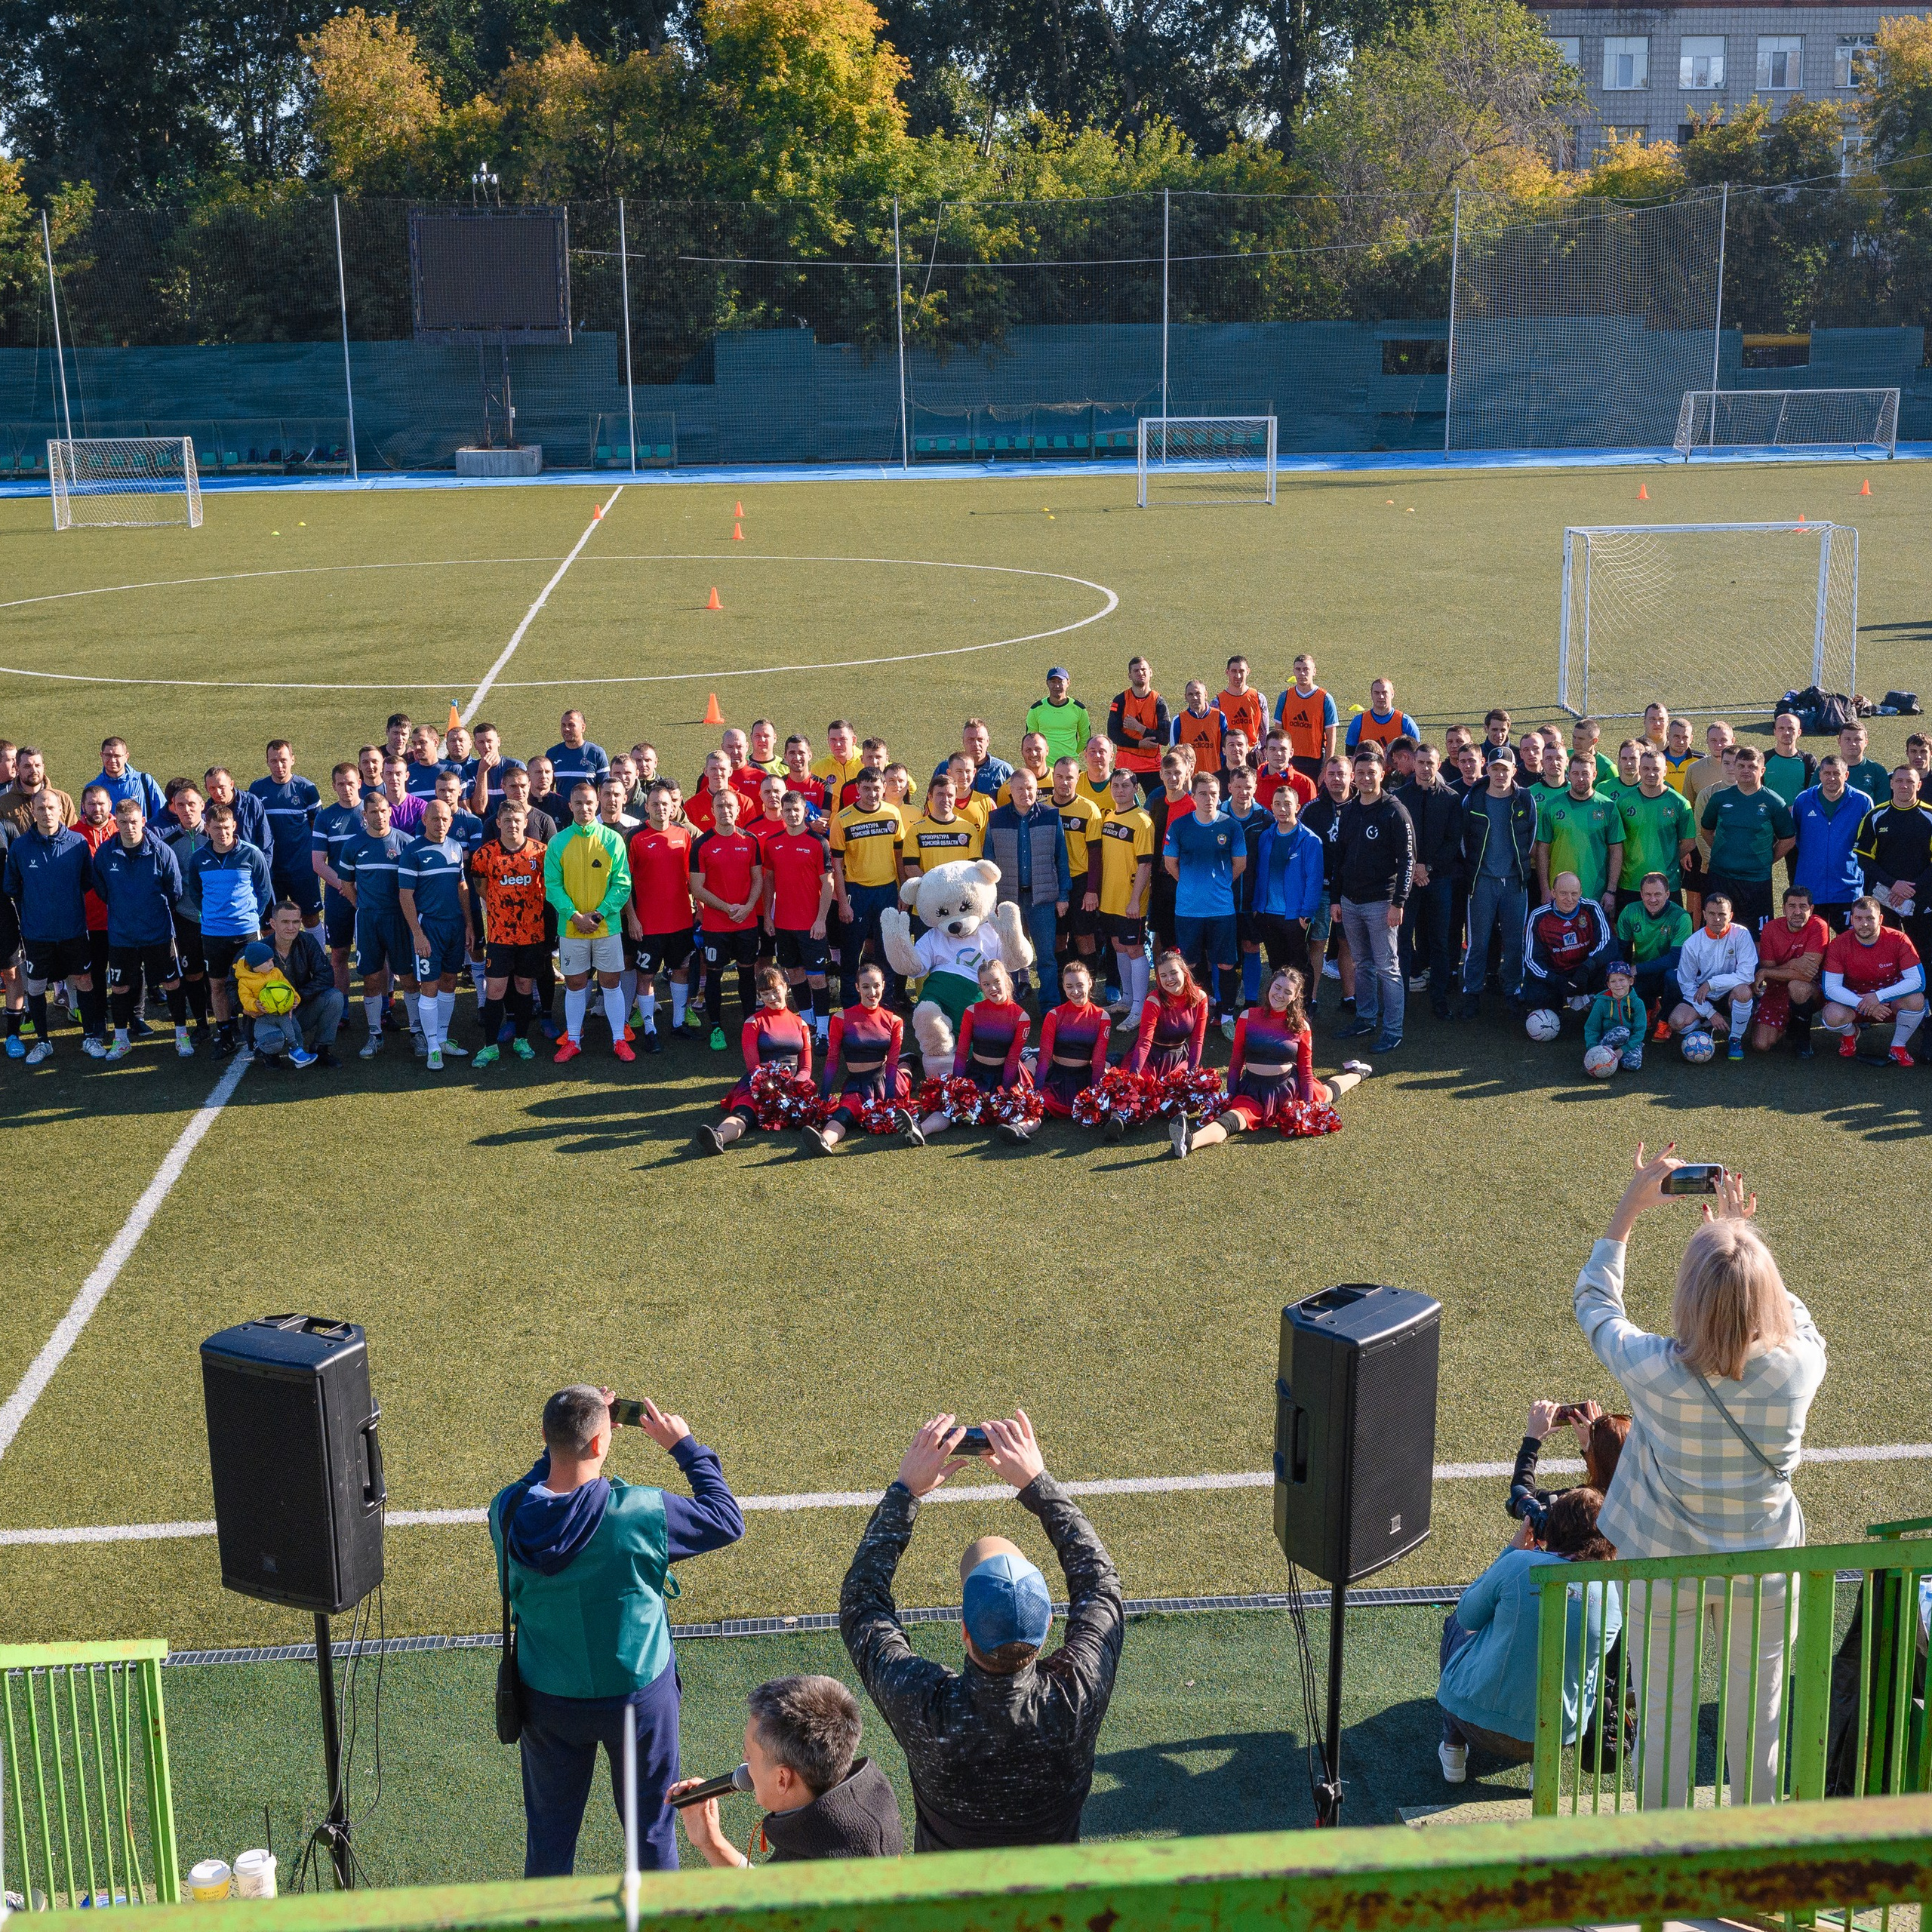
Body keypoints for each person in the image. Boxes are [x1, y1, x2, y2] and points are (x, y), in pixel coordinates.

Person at [1574, 1146, 1825, 1808]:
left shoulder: (1653, 1367)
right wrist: (1744, 1241)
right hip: (1764, 1562)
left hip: (1663, 1564)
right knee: (1759, 1727)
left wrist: (1629, 1209)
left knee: (1662, 1727)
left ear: (1688, 1294)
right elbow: (1795, 1321)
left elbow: (1595, 1304)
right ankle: (1750, 1874)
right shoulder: (1799, 1369)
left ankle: (1665, 1870)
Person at [839, 1409, 1123, 1850]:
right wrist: (1037, 1482)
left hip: (951, 1907)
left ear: (964, 1632)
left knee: (984, 1553)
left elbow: (862, 1603)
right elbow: (1100, 1584)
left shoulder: (924, 1704)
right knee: (991, 1552)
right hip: (1051, 1908)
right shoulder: (1075, 1696)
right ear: (1048, 1624)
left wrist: (907, 1491)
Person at [492, 1386, 743, 1876]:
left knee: (548, 1840)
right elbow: (726, 1519)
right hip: (638, 1698)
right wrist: (684, 1447)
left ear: (545, 1437)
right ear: (600, 1445)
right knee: (651, 1832)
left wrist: (569, 1438)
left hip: (546, 1697)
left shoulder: (505, 1512)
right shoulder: (641, 1513)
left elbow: (534, 1484)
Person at [1436, 1487, 1621, 1780]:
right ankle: (1542, 1769)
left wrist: (1512, 1552)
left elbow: (1468, 1615)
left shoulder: (1519, 1565)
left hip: (1475, 1721)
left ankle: (1453, 1748)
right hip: (1553, 1737)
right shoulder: (1613, 1595)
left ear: (1553, 1527)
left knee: (1456, 1626)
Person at [670, 1675, 903, 1866]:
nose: (744, 1760)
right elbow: (767, 1891)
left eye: (750, 1755)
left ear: (783, 1779)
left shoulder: (810, 1871)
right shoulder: (874, 1799)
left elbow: (761, 1907)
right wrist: (712, 1843)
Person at [1172, 965, 1367, 1158]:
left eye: (1287, 992)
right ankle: (1189, 1142)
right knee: (1233, 1119)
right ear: (1270, 986)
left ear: (1295, 997)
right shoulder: (1247, 1017)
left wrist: (1307, 1107)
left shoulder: (1302, 1026)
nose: (1280, 995)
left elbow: (1306, 1071)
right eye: (1277, 987)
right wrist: (1230, 1096)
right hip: (1253, 1090)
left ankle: (1357, 1073)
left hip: (1289, 1090)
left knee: (1328, 1093)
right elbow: (1236, 1062)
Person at [4, 788, 102, 1063]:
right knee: (35, 986)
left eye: (51, 808)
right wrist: (37, 906)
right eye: (41, 808)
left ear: (60, 809)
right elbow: (12, 886)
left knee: (84, 980)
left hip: (72, 930)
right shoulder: (21, 847)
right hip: (37, 934)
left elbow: (86, 881)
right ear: (33, 812)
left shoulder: (78, 843)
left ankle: (90, 1038)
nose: (47, 813)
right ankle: (43, 1042)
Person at [91, 796, 190, 1060]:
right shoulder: (105, 853)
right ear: (117, 823)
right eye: (123, 822)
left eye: (134, 821)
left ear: (143, 821)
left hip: (157, 932)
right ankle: (121, 1039)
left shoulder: (161, 851)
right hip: (122, 935)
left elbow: (175, 890)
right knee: (121, 987)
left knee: (171, 982)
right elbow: (102, 889)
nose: (129, 827)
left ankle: (181, 1035)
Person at [901, 958, 1034, 1146]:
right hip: (976, 1073)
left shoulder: (1021, 1016)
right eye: (986, 984)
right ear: (980, 986)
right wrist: (959, 1083)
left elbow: (1012, 1059)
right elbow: (962, 1052)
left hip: (1006, 1076)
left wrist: (1004, 1090)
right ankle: (920, 1130)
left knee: (1028, 1110)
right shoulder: (972, 1011)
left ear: (1006, 980)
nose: (993, 988)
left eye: (996, 982)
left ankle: (1018, 1129)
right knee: (950, 1107)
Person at [547, 782, 635, 1065]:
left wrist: (598, 915)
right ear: (570, 806)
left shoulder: (612, 840)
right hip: (572, 928)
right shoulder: (558, 842)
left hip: (606, 927)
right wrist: (575, 916)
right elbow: (552, 886)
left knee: (611, 982)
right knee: (575, 984)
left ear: (596, 805)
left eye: (589, 803)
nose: (584, 808)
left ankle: (618, 1040)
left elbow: (622, 884)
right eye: (578, 803)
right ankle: (573, 1040)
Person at [1333, 747, 1413, 1054]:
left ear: (1383, 774)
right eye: (1361, 773)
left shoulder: (1395, 811)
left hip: (1381, 904)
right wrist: (1338, 899)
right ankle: (1366, 1018)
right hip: (1350, 903)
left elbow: (1407, 860)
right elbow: (1340, 858)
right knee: (1362, 964)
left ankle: (1393, 1030)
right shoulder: (1350, 810)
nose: (1366, 778)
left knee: (1387, 968)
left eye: (1372, 773)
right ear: (1354, 777)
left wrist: (1399, 902)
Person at [186, 800, 275, 1054]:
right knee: (217, 984)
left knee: (254, 984)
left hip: (246, 932)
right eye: (216, 828)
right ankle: (225, 1035)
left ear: (234, 826)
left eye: (226, 827)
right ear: (207, 828)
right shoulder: (199, 858)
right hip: (213, 934)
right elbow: (196, 892)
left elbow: (264, 890)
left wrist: (251, 917)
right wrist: (213, 915)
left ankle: (256, 1035)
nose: (222, 833)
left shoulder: (251, 853)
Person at [697, 963, 813, 1153]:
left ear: (786, 987)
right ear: (759, 996)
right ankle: (719, 1137)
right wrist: (768, 1088)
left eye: (775, 990)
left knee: (811, 1113)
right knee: (745, 1112)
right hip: (759, 1085)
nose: (772, 997)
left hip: (793, 1086)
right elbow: (753, 1067)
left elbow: (806, 1067)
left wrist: (794, 1086)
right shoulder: (753, 1023)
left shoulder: (801, 1023)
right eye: (765, 994)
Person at [334, 792, 414, 1059]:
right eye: (372, 812)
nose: (378, 816)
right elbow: (346, 884)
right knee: (371, 978)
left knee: (409, 977)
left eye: (382, 810)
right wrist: (363, 907)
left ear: (389, 812)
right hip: (368, 919)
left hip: (400, 920)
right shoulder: (353, 845)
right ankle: (374, 1035)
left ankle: (417, 1033)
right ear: (364, 815)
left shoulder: (406, 843)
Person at [1457, 750, 1536, 1018]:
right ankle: (1472, 992)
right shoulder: (1474, 798)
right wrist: (1478, 872)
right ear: (1487, 769)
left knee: (1515, 942)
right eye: (1495, 768)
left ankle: (1513, 990)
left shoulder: (1525, 798)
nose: (1500, 774)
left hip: (1515, 884)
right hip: (1482, 883)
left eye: (1505, 769)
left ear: (1515, 770)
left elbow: (1531, 837)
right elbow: (1464, 839)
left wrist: (1518, 870)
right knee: (1478, 942)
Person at [470, 799, 549, 1065]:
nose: (513, 825)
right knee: (495, 990)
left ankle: (521, 1039)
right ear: (498, 823)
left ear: (525, 822)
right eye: (507, 821)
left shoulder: (541, 852)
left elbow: (549, 886)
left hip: (532, 935)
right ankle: (490, 1045)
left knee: (525, 986)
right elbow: (480, 886)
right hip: (500, 936)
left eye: (517, 821)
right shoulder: (484, 855)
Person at [1164, 771, 1243, 1031]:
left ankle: (1228, 1015)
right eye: (1203, 794)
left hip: (1221, 909)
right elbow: (1170, 864)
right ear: (1194, 796)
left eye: (1213, 794)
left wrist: (1218, 884)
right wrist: (1190, 883)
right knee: (1192, 964)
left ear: (1220, 795)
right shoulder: (1180, 826)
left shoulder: (1231, 826)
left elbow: (1240, 864)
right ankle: (1201, 1009)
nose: (1209, 799)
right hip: (1188, 910)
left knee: (1226, 963)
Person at [399, 795, 472, 1070]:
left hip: (454, 927)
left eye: (445, 819)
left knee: (450, 981)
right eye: (434, 819)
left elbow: (462, 888)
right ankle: (431, 1046)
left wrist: (469, 925)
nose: (440, 824)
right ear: (424, 821)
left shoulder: (455, 847)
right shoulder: (413, 851)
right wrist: (418, 934)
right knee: (429, 985)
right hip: (429, 927)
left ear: (451, 821)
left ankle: (442, 1038)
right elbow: (405, 896)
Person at [986, 768, 1069, 1006]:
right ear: (1010, 791)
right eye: (1020, 788)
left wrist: (1063, 894)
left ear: (1037, 789)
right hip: (1008, 900)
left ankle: (1050, 1006)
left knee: (1046, 959)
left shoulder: (1051, 816)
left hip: (1042, 899)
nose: (1026, 793)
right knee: (1009, 956)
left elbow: (1061, 858)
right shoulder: (996, 819)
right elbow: (988, 861)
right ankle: (1008, 1006)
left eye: (1030, 788)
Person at [805, 961, 908, 1153]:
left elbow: (892, 1063)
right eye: (866, 986)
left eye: (877, 986)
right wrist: (824, 1097)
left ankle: (910, 1061)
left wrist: (890, 1100)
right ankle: (824, 1141)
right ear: (857, 988)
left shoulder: (895, 1021)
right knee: (845, 1111)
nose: (872, 992)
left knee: (905, 1068)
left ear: (884, 986)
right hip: (857, 1084)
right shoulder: (841, 1018)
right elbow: (832, 1060)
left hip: (885, 1080)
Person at [1817, 894, 1925, 1066]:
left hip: (1888, 1004)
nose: (1864, 924)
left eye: (1870, 918)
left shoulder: (1899, 939)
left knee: (1916, 1000)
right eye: (1859, 918)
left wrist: (1878, 997)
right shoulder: (1839, 944)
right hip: (1855, 1003)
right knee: (1832, 1015)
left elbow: (1917, 981)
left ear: (1880, 919)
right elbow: (1830, 989)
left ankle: (1898, 1046)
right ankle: (1850, 1034)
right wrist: (1865, 1002)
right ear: (1852, 919)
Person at [626, 783, 696, 1047]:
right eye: (655, 804)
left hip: (680, 921)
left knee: (681, 971)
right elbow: (625, 885)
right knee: (646, 976)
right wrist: (632, 919)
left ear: (673, 806)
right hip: (648, 925)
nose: (661, 808)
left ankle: (678, 1023)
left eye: (665, 804)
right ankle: (650, 1029)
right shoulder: (635, 838)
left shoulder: (683, 835)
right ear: (647, 807)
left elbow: (692, 879)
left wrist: (698, 907)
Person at [761, 789, 834, 1040]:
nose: (792, 814)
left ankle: (823, 1031)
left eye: (796, 810)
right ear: (781, 813)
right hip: (783, 924)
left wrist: (821, 919)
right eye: (787, 810)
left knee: (817, 979)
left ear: (805, 812)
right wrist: (768, 917)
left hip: (811, 925)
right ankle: (808, 1024)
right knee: (794, 975)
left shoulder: (818, 843)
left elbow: (828, 884)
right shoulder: (773, 843)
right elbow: (769, 881)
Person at [1395, 742, 1460, 1020]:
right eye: (1420, 763)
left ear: (1438, 764)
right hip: (1407, 882)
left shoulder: (1451, 798)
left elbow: (1452, 842)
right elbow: (1397, 841)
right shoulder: (1399, 797)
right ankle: (1401, 1001)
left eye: (1430, 764)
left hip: (1440, 879)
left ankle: (1439, 999)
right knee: (1402, 939)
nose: (1425, 768)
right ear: (1415, 764)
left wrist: (1428, 867)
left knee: (1440, 940)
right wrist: (1414, 870)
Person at [1700, 747, 1795, 935]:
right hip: (1721, 877)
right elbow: (1706, 830)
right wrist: (1723, 852)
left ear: (1762, 771)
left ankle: (1756, 966)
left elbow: (1788, 839)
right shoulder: (1720, 799)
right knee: (1719, 929)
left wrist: (1765, 859)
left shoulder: (1774, 802)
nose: (1745, 770)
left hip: (1756, 881)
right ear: (1734, 768)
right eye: (1741, 765)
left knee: (1758, 934)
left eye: (1752, 766)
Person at [831, 768, 905, 1008]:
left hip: (887, 892)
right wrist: (843, 902)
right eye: (866, 788)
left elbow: (899, 856)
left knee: (887, 951)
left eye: (876, 788)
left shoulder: (893, 813)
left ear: (884, 788)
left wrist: (902, 890)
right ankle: (851, 1004)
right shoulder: (843, 819)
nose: (872, 794)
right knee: (852, 953)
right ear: (857, 789)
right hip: (857, 892)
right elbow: (836, 866)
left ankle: (886, 1002)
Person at [1506, 1400, 1629, 1540]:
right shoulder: (1645, 1490)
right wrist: (1592, 1450)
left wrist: (1532, 1438)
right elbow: (1609, 1472)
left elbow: (1522, 1495)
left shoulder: (1584, 1506)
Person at [1091, 768, 1155, 1031]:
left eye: (1125, 786)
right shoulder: (1108, 818)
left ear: (1135, 788)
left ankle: (1139, 1008)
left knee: (1135, 950)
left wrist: (1134, 900)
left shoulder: (1142, 821)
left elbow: (1145, 865)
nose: (1120, 790)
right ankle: (1127, 1001)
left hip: (1131, 903)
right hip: (1109, 900)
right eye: (1116, 786)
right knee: (1118, 946)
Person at [247, 900, 345, 1067]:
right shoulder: (257, 949)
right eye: (285, 922)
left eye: (295, 922)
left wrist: (295, 997)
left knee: (334, 997)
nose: (291, 927)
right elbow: (232, 984)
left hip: (299, 1009)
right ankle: (269, 1051)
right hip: (268, 1016)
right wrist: (248, 1006)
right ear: (273, 923)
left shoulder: (307, 941)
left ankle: (321, 1049)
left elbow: (326, 975)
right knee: (273, 1040)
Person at [1853, 765, 1932, 961]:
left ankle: (1925, 992)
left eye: (1910, 782)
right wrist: (1894, 885)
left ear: (1919, 785)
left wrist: (1912, 888)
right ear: (1891, 784)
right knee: (1884, 951)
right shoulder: (1875, 816)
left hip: (1921, 898)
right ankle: (1887, 991)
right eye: (1899, 781)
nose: (1904, 786)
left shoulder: (1930, 817)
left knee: (1923, 951)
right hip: (1884, 897)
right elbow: (1863, 858)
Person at [1251, 786, 1326, 986]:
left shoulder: (1310, 840)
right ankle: (1280, 1010)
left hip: (1295, 916)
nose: (1282, 809)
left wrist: (1306, 914)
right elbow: (1260, 874)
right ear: (1271, 808)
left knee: (1299, 966)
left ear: (1297, 807)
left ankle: (1304, 1007)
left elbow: (1314, 880)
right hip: (1268, 913)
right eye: (1277, 804)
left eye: (1287, 804)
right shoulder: (1266, 837)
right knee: (1276, 966)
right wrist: (1258, 908)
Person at [1670, 893, 1759, 1059]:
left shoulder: (1741, 934)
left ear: (1731, 916)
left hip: (1730, 993)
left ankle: (1736, 1038)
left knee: (1744, 992)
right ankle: (1704, 1025)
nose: (1717, 919)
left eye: (1722, 914)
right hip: (1703, 996)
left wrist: (1712, 984)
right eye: (1712, 914)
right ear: (1704, 914)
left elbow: (1747, 975)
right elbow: (1686, 984)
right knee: (1677, 1022)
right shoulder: (1692, 943)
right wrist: (1710, 1012)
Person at [1535, 754, 1622, 916]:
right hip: (1559, 892)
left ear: (1595, 775)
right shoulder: (1553, 806)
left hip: (1595, 890)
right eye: (1575, 774)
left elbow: (1616, 851)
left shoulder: (1608, 807)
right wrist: (1545, 889)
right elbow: (1542, 850)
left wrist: (1611, 891)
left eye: (1585, 774)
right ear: (1568, 774)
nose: (1580, 779)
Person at [1791, 756, 1872, 930]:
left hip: (1848, 887)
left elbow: (1869, 843)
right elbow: (1795, 837)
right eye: (1827, 773)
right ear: (1820, 775)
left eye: (1837, 773)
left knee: (1850, 944)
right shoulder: (1804, 800)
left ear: (1847, 775)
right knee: (1813, 946)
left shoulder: (1862, 802)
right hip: (1810, 887)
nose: (1831, 778)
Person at [1749, 886, 1829, 1055]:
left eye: (1803, 906)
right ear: (1784, 908)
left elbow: (1806, 974)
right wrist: (1794, 964)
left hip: (1810, 988)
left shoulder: (1819, 926)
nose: (1797, 912)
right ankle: (1791, 1021)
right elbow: (1769, 970)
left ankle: (1803, 1039)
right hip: (1776, 989)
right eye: (1792, 906)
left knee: (1797, 986)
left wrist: (1766, 973)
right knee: (1760, 1045)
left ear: (1811, 909)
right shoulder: (1770, 929)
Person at [249, 740, 321, 929]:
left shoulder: (307, 789)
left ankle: (317, 958)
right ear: (267, 762)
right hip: (270, 869)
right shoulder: (257, 790)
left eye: (283, 760)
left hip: (302, 868)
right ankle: (273, 959)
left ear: (293, 760)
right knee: (268, 924)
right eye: (274, 761)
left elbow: (317, 829)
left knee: (310, 918)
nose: (279, 766)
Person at [1613, 749, 1694, 915]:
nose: (1651, 773)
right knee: (1626, 935)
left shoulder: (1680, 803)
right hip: (1630, 882)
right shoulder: (1623, 802)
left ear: (1665, 770)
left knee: (1668, 934)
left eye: (1656, 769)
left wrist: (1668, 858)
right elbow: (1615, 843)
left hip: (1666, 883)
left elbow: (1689, 842)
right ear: (1639, 769)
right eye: (1646, 769)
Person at [1524, 872, 1612, 1019]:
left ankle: (1596, 1007)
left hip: (1585, 970)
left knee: (1611, 973)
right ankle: (1555, 1007)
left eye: (1574, 893)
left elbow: (1607, 943)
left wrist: (1586, 968)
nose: (1569, 899)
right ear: (1553, 893)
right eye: (1563, 893)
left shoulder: (1591, 908)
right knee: (1536, 996)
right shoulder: (1538, 916)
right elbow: (1531, 960)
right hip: (1557, 974)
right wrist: (1556, 980)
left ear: (1580, 893)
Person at [1033, 957, 1112, 1119]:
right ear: (1063, 987)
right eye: (1069, 987)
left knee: (1106, 1105)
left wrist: (1095, 1091)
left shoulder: (1102, 1016)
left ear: (1090, 983)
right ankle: (1020, 1129)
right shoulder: (1054, 1015)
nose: (1075, 992)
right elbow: (1045, 1056)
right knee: (1039, 1107)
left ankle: (1115, 1123)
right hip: (1057, 1079)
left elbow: (1097, 1060)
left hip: (1084, 1079)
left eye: (1080, 985)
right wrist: (1037, 1088)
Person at [1616, 873, 1692, 1031]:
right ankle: (1650, 1007)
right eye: (1648, 894)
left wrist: (1637, 969)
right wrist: (1620, 975)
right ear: (1641, 894)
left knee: (1674, 977)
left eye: (1658, 894)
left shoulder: (1681, 917)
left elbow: (1676, 958)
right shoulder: (1630, 911)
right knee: (1626, 1019)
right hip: (1643, 973)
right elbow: (1621, 949)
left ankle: (1665, 1019)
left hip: (1668, 972)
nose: (1652, 899)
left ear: (1668, 894)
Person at [1124, 949, 1210, 1092]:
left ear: (1184, 972)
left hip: (1178, 1058)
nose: (1169, 979)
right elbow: (1144, 1042)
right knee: (1139, 1090)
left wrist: (1192, 1074)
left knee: (1178, 1091)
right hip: (1150, 1057)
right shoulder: (1154, 1000)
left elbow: (1197, 1041)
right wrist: (1134, 1076)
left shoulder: (1200, 997)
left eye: (1173, 973)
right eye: (1163, 975)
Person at [1106, 657, 1168, 799]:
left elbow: (1165, 738)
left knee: (1157, 808)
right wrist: (1139, 744)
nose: (1140, 673)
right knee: (1120, 805)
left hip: (1152, 767)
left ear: (1150, 672)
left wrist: (1140, 728)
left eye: (1143, 669)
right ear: (1129, 675)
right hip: (1125, 766)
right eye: (1136, 670)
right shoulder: (1120, 700)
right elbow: (1113, 734)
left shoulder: (1158, 701)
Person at [1275, 654, 1339, 779]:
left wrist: (1326, 768)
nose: (1302, 674)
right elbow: (1278, 733)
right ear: (1294, 671)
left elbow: (1331, 737)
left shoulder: (1325, 698)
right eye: (1298, 670)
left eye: (1306, 669)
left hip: (1316, 761)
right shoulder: (1285, 697)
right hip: (1289, 759)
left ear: (1314, 671)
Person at [1581, 960, 1646, 1076]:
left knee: (1633, 1065)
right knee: (1622, 1031)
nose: (1618, 985)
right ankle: (1604, 1054)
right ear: (1608, 985)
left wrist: (1622, 1051)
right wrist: (1593, 1048)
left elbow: (1640, 1032)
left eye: (1622, 980)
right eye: (1613, 981)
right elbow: (1591, 1028)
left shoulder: (1637, 1003)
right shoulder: (1601, 1002)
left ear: (1630, 981)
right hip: (1609, 1038)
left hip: (1630, 1040)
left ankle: (1615, 1056)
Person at [0, 748, 78, 833]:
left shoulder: (63, 799)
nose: (34, 770)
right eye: (27, 766)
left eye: (38, 765)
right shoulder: (4, 803)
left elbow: (74, 835)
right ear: (17, 768)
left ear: (43, 767)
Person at [90, 737, 167, 820]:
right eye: (108, 755)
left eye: (117, 756)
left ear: (126, 757)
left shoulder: (144, 781)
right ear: (102, 755)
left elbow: (163, 815)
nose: (112, 760)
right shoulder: (93, 788)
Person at [1024, 669, 1091, 765]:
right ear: (1047, 683)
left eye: (1060, 681)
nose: (1057, 686)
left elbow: (1085, 739)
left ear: (1068, 683)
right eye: (1053, 682)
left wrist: (1072, 753)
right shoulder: (1036, 709)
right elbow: (1031, 740)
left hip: (1070, 767)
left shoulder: (1079, 709)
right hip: (1044, 767)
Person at [1343, 678, 1419, 753]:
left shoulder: (1406, 722)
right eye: (1376, 693)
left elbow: (1416, 755)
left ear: (1392, 694)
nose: (1381, 697)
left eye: (1384, 692)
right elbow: (1350, 756)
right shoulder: (1358, 722)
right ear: (1371, 695)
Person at [547, 709, 611, 795]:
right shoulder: (552, 753)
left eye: (571, 725)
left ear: (583, 728)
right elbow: (547, 788)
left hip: (587, 808)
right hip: (562, 808)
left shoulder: (596, 753)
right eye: (563, 725)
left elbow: (605, 789)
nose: (566, 729)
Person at [1169, 680, 1225, 775]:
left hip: (1215, 776)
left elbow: (1225, 748)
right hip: (1190, 779)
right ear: (1185, 697)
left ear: (1206, 695)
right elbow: (1174, 754)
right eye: (1190, 694)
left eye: (1198, 693)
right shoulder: (1178, 720)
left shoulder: (1219, 716)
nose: (1195, 697)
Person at [1213, 656, 1266, 752]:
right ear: (1227, 672)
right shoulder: (1217, 702)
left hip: (1253, 753)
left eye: (1241, 671)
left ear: (1248, 672)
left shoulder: (1259, 698)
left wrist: (1263, 751)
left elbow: (1264, 731)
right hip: (1230, 755)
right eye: (1234, 671)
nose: (1238, 676)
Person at [1838, 720, 1891, 808]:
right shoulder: (1825, 769)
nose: (1853, 743)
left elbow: (1882, 807)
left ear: (1866, 742)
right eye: (1847, 739)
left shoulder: (1877, 771)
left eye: (1858, 739)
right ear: (1839, 741)